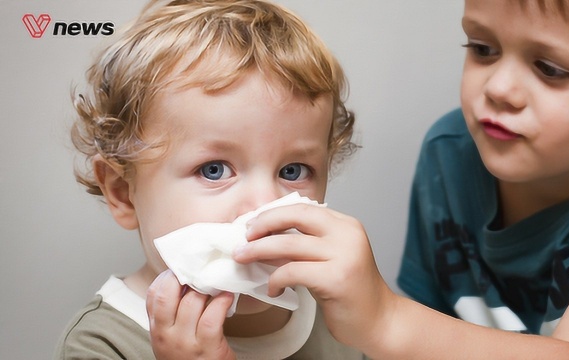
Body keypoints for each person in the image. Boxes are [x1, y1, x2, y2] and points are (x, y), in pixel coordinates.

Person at [232, 0, 569, 358]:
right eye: (482, 49)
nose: (499, 88)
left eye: (550, 69)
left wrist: (386, 320)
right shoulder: (451, 154)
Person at [53, 0, 364, 359]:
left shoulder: (340, 310)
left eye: (292, 171)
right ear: (123, 193)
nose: (265, 207)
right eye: (213, 169)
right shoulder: (102, 344)